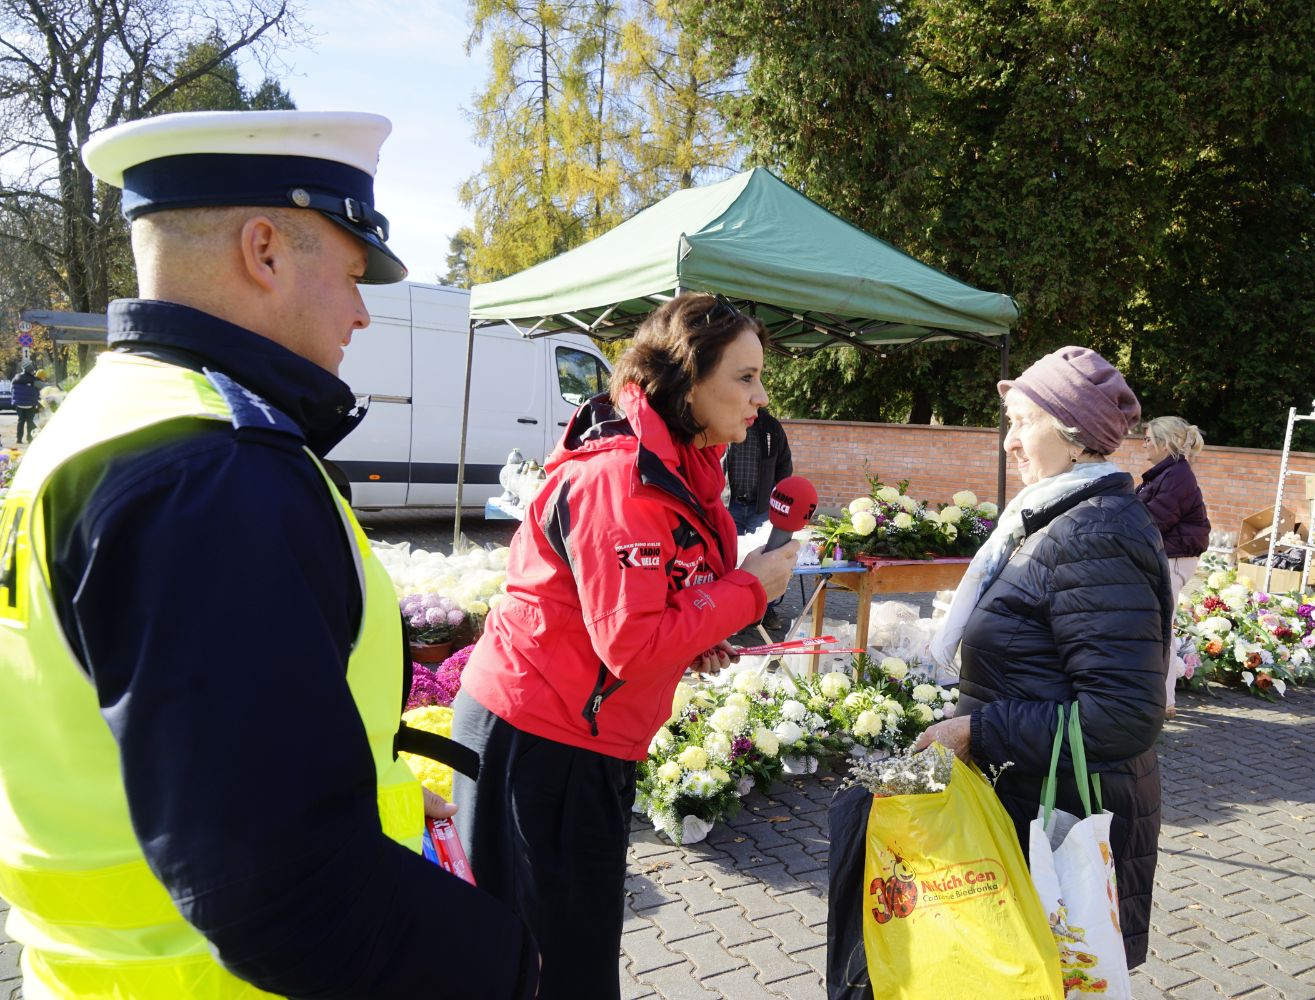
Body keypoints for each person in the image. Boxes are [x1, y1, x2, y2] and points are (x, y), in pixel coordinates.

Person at [0, 110, 538, 998]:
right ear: (265, 250)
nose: (363, 313)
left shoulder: (106, 421)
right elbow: (286, 896)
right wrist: (504, 965)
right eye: (354, 274)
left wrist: (386, 807)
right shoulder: (211, 469)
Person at [451, 292, 799, 999]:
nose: (761, 399)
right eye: (745, 377)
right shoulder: (622, 479)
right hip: (540, 740)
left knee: (571, 953)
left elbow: (652, 607)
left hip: (586, 734)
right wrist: (750, 589)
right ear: (685, 381)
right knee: (550, 963)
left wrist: (693, 636)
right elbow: (633, 646)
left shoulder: (682, 468)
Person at [917, 345, 1173, 970]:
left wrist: (977, 730)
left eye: (1022, 422)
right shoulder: (1054, 519)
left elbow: (1124, 714)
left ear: (1075, 435)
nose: (1008, 442)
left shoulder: (1094, 533)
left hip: (1060, 822)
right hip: (1032, 804)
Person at [1136, 415, 1211, 716]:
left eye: (1148, 439)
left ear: (1165, 444)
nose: (1143, 444)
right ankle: (1160, 699)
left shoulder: (1176, 476)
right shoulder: (1166, 473)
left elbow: (1152, 521)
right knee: (1157, 626)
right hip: (1169, 557)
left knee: (1161, 628)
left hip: (1174, 560)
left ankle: (1165, 702)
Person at [725, 407, 794, 628]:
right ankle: (729, 612)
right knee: (727, 560)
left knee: (767, 557)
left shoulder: (771, 427)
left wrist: (778, 500)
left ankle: (766, 610)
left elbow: (785, 465)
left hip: (761, 508)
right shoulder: (727, 421)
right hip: (729, 505)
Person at [11, 360, 39, 444]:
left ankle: (18, 439)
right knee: (30, 421)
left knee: (20, 421)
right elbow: (42, 387)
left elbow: (11, 389)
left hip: (19, 404)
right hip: (30, 404)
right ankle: (29, 438)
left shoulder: (16, 378)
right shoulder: (33, 380)